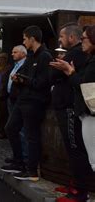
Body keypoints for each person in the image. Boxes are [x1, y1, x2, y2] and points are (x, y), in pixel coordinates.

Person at [1, 25, 52, 181]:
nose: (23, 41)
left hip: (35, 102)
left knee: (31, 136)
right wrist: (19, 78)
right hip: (23, 99)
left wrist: (22, 79)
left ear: (32, 38)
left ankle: (31, 170)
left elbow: (42, 83)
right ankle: (19, 162)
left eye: (24, 38)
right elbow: (25, 75)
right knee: (10, 128)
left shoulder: (45, 56)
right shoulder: (30, 56)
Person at [50, 24, 94, 202]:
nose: (59, 40)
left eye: (85, 38)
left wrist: (69, 71)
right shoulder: (86, 56)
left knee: (78, 150)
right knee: (76, 150)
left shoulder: (77, 54)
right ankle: (76, 185)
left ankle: (79, 191)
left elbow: (82, 84)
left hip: (75, 108)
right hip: (76, 108)